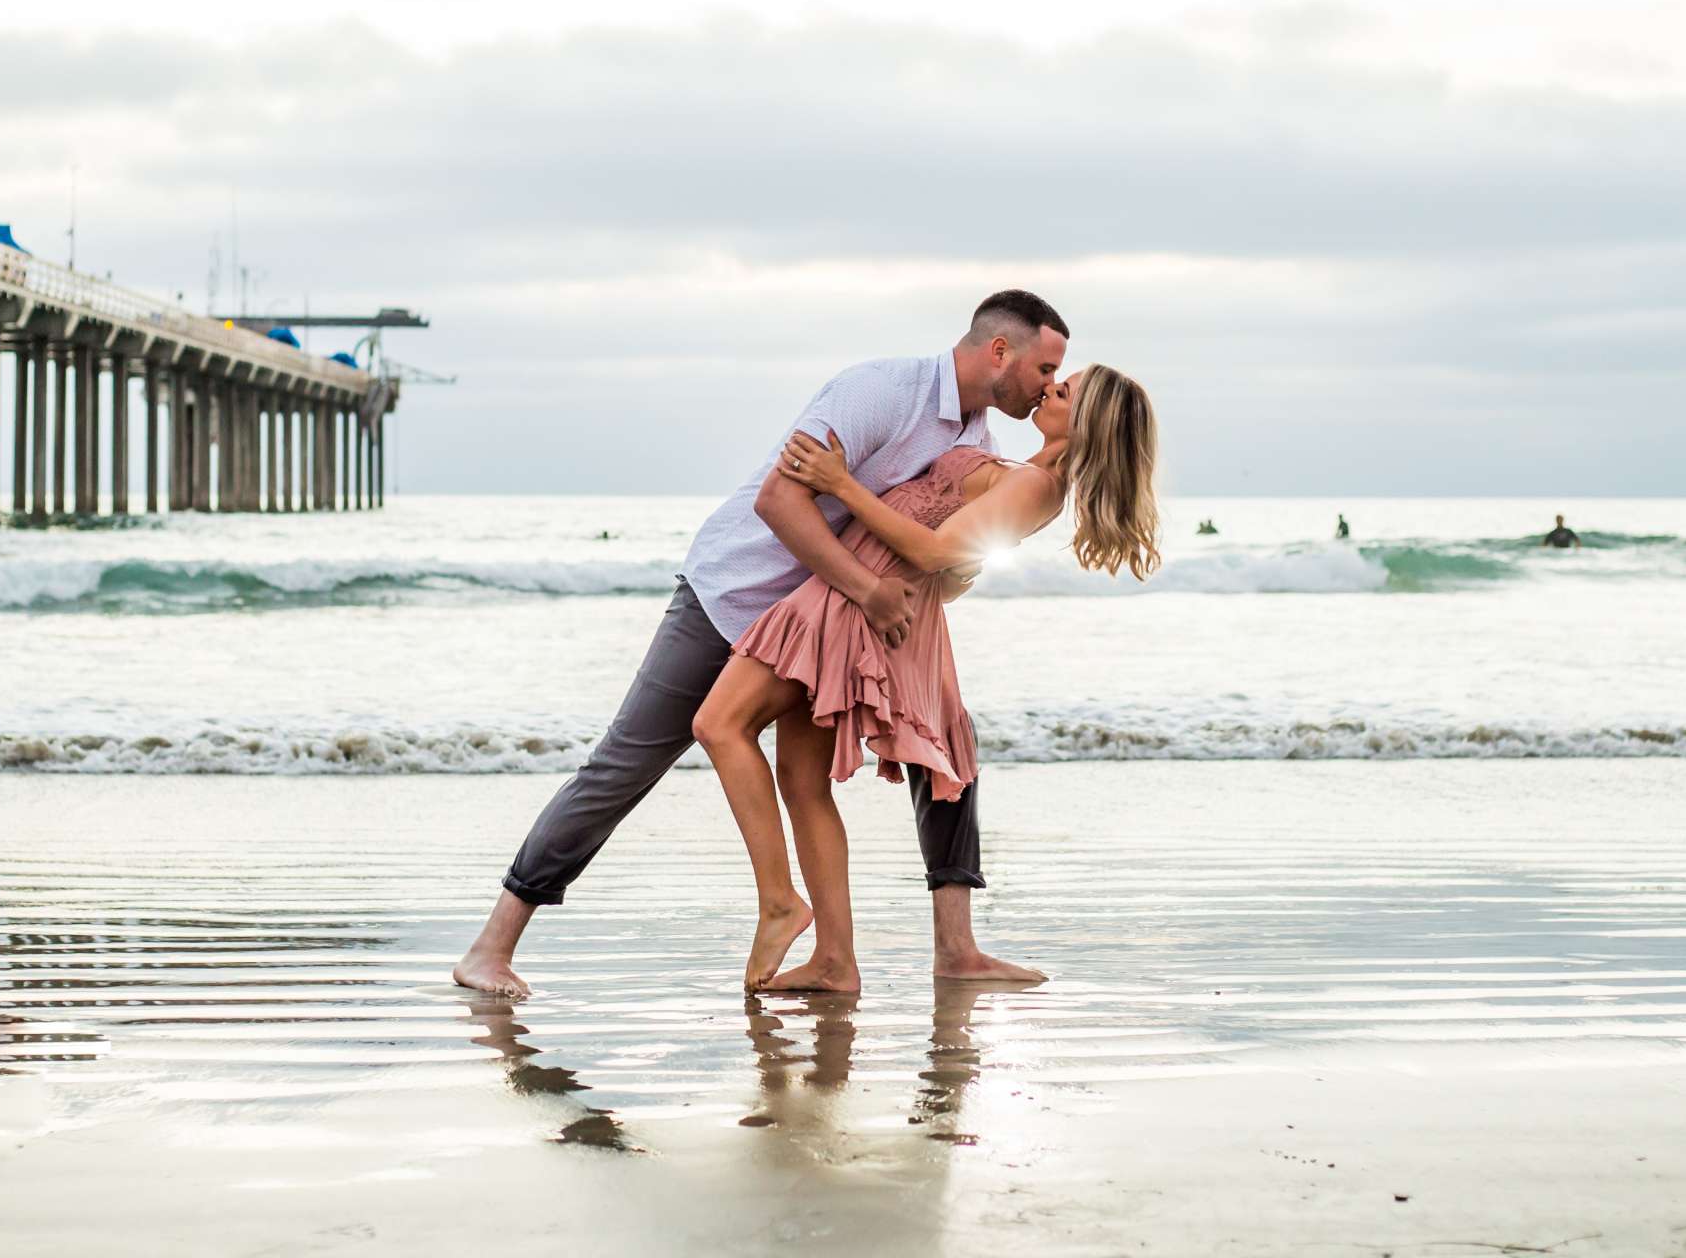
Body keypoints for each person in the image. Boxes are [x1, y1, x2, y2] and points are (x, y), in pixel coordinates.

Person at [451, 290, 1072, 999]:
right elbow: (778, 499)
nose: (1049, 383)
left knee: (915, 746)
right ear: (1000, 351)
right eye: (1046, 366)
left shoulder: (978, 446)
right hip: (736, 595)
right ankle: (491, 947)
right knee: (626, 764)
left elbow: (931, 548)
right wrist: (869, 591)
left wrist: (917, 588)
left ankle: (881, 954)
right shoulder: (879, 391)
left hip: (820, 624)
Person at [696, 364, 1160, 990]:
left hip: (858, 604)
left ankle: (780, 901)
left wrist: (840, 484)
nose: (1051, 388)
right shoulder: (1018, 468)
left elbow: (937, 552)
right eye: (1055, 378)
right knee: (802, 781)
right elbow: (956, 562)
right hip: (853, 592)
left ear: (1089, 423)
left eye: (1066, 389)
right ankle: (835, 961)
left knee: (718, 723)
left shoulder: (1041, 487)